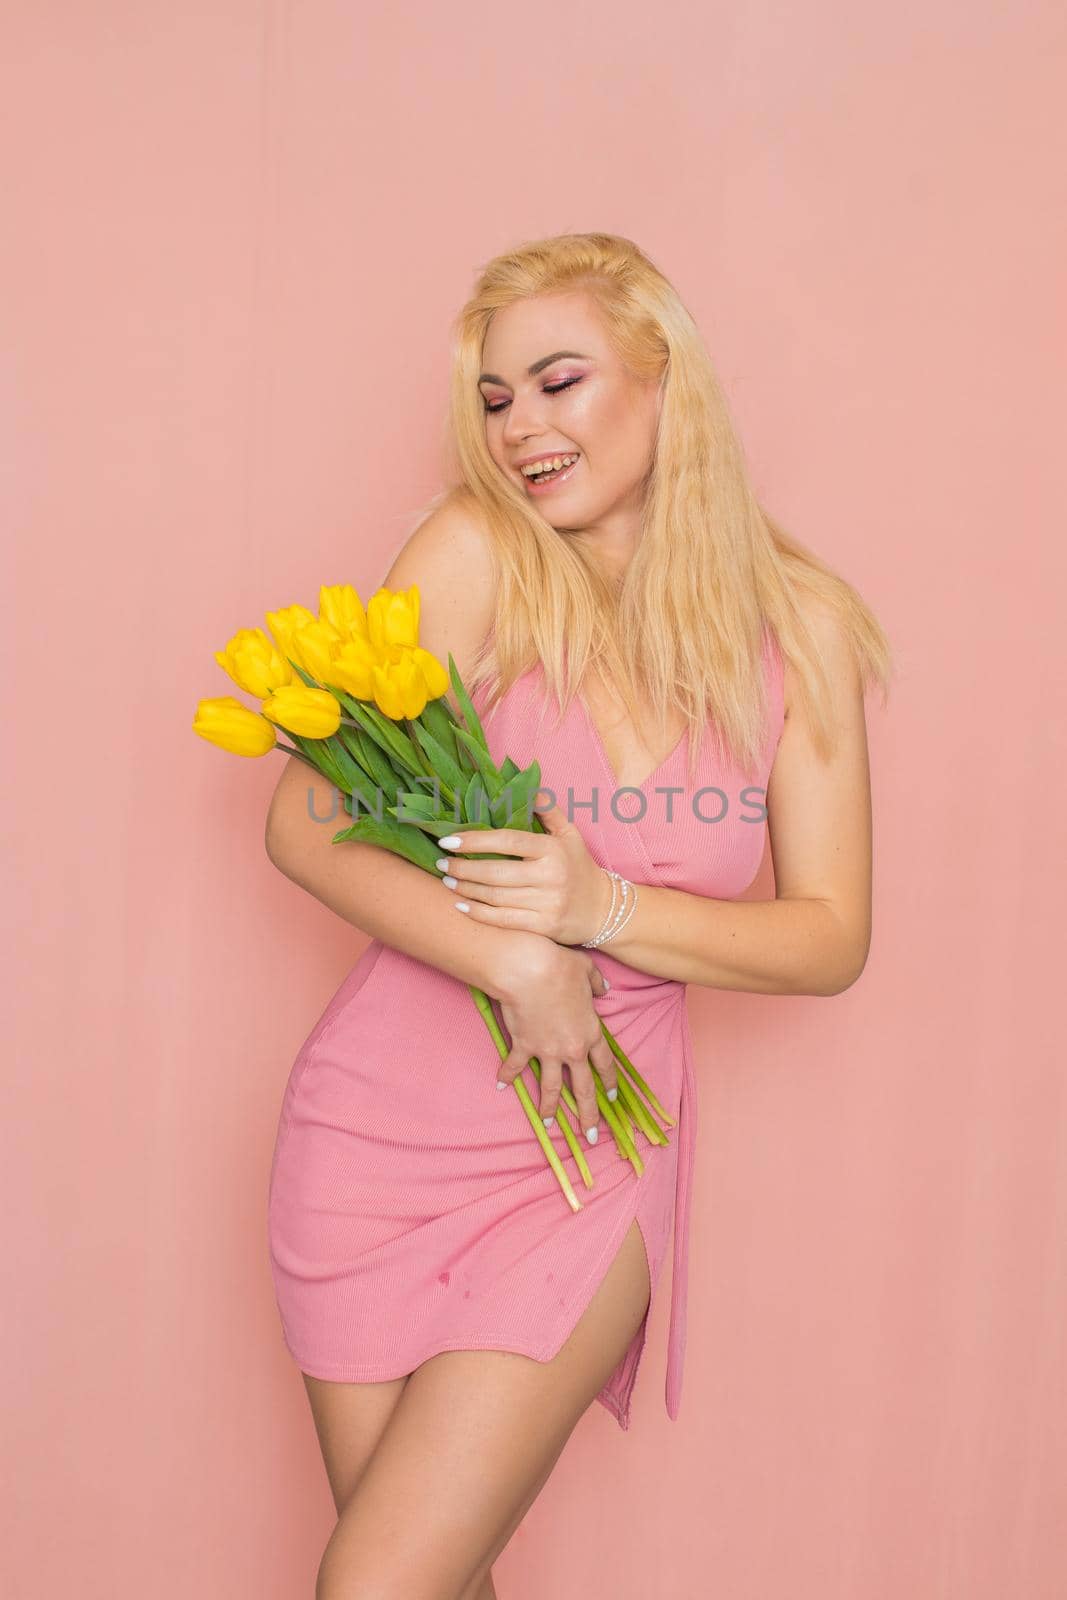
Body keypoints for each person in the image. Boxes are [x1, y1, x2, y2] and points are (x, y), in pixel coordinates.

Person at [263, 231, 891, 1599]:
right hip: (372, 1135)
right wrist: (516, 960)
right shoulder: (478, 556)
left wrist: (600, 910)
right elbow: (303, 820)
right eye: (497, 400)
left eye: (559, 381)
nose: (523, 428)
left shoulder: (805, 631)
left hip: (577, 1165)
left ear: (671, 383)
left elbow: (829, 932)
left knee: (375, 1586)